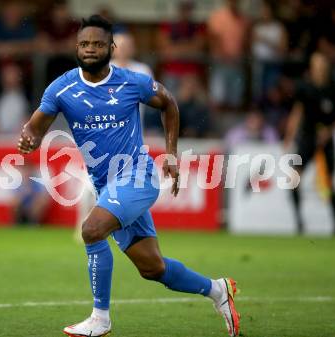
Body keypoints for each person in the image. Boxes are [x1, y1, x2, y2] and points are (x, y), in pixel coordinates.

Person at [17, 15, 240, 337]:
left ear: (111, 47)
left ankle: (100, 318)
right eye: (84, 44)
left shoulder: (132, 82)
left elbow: (169, 103)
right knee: (153, 268)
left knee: (92, 230)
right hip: (108, 186)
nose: (90, 49)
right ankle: (219, 290)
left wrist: (171, 154)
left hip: (138, 177)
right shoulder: (62, 87)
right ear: (76, 48)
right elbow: (34, 128)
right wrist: (27, 139)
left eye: (97, 44)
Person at [284, 52, 335, 236]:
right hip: (307, 137)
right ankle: (299, 222)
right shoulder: (305, 88)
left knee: (329, 183)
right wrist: (289, 136)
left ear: (326, 67)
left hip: (327, 139)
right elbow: (297, 113)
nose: (319, 69)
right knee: (294, 179)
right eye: (316, 66)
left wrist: (329, 130)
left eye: (322, 65)